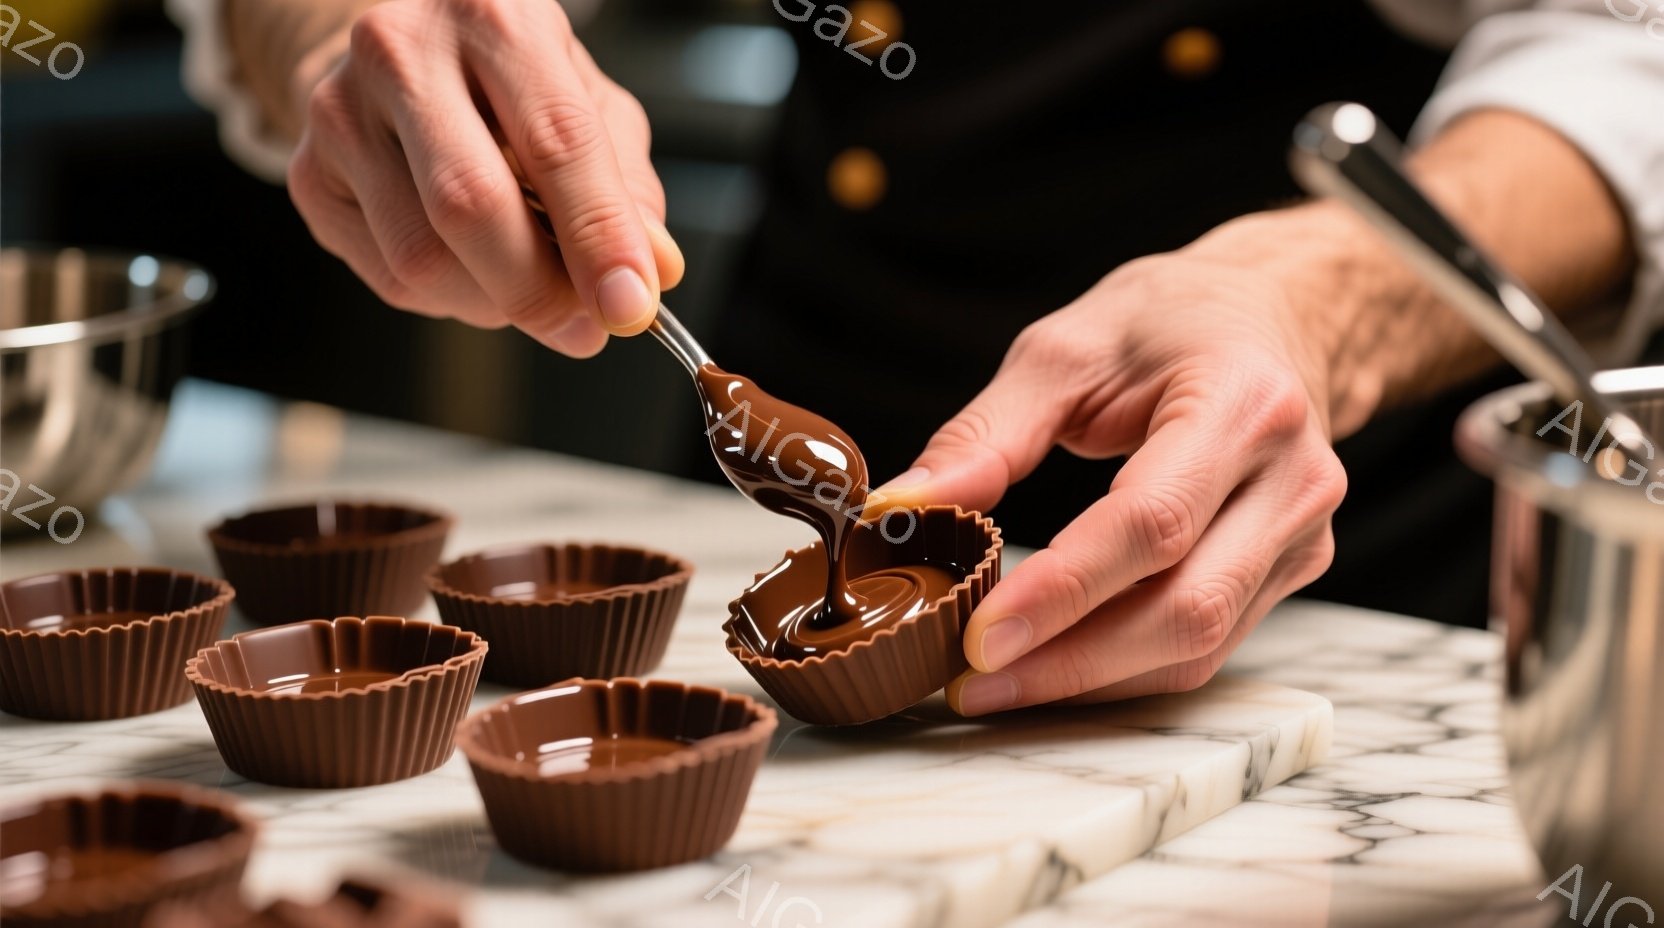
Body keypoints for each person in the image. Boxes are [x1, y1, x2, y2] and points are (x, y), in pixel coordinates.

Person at [168, 0, 1662, 716]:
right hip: (825, 357)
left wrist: (1317, 301)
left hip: (1349, 580)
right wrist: (329, 33)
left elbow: (1624, 55)